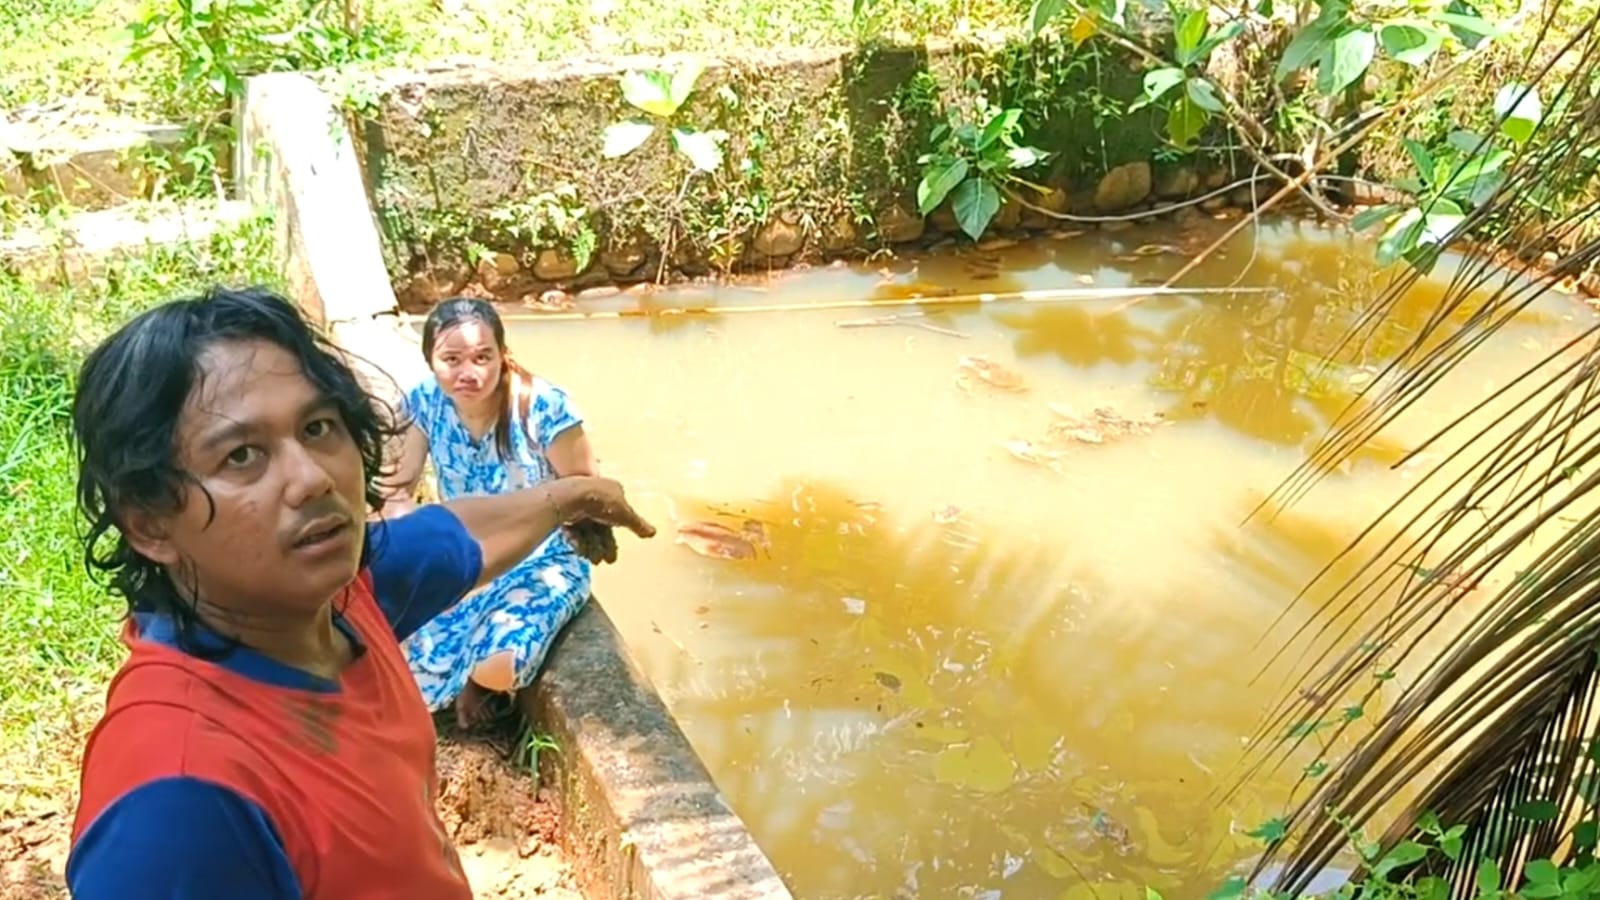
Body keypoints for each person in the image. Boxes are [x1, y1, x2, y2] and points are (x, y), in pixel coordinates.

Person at [64, 286, 656, 900]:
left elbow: (457, 532)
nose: (312, 477)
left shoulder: (341, 596)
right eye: (242, 455)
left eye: (318, 427)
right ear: (150, 523)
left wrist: (575, 495)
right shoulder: (178, 803)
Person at [381, 297, 611, 728]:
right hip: (468, 557)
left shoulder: (544, 406)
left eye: (482, 357)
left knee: (503, 660)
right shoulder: (425, 401)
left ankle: (477, 683)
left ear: (502, 356)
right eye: (451, 359)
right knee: (391, 644)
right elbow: (397, 488)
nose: (468, 373)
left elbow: (587, 490)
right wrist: (415, 541)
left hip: (544, 560)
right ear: (430, 360)